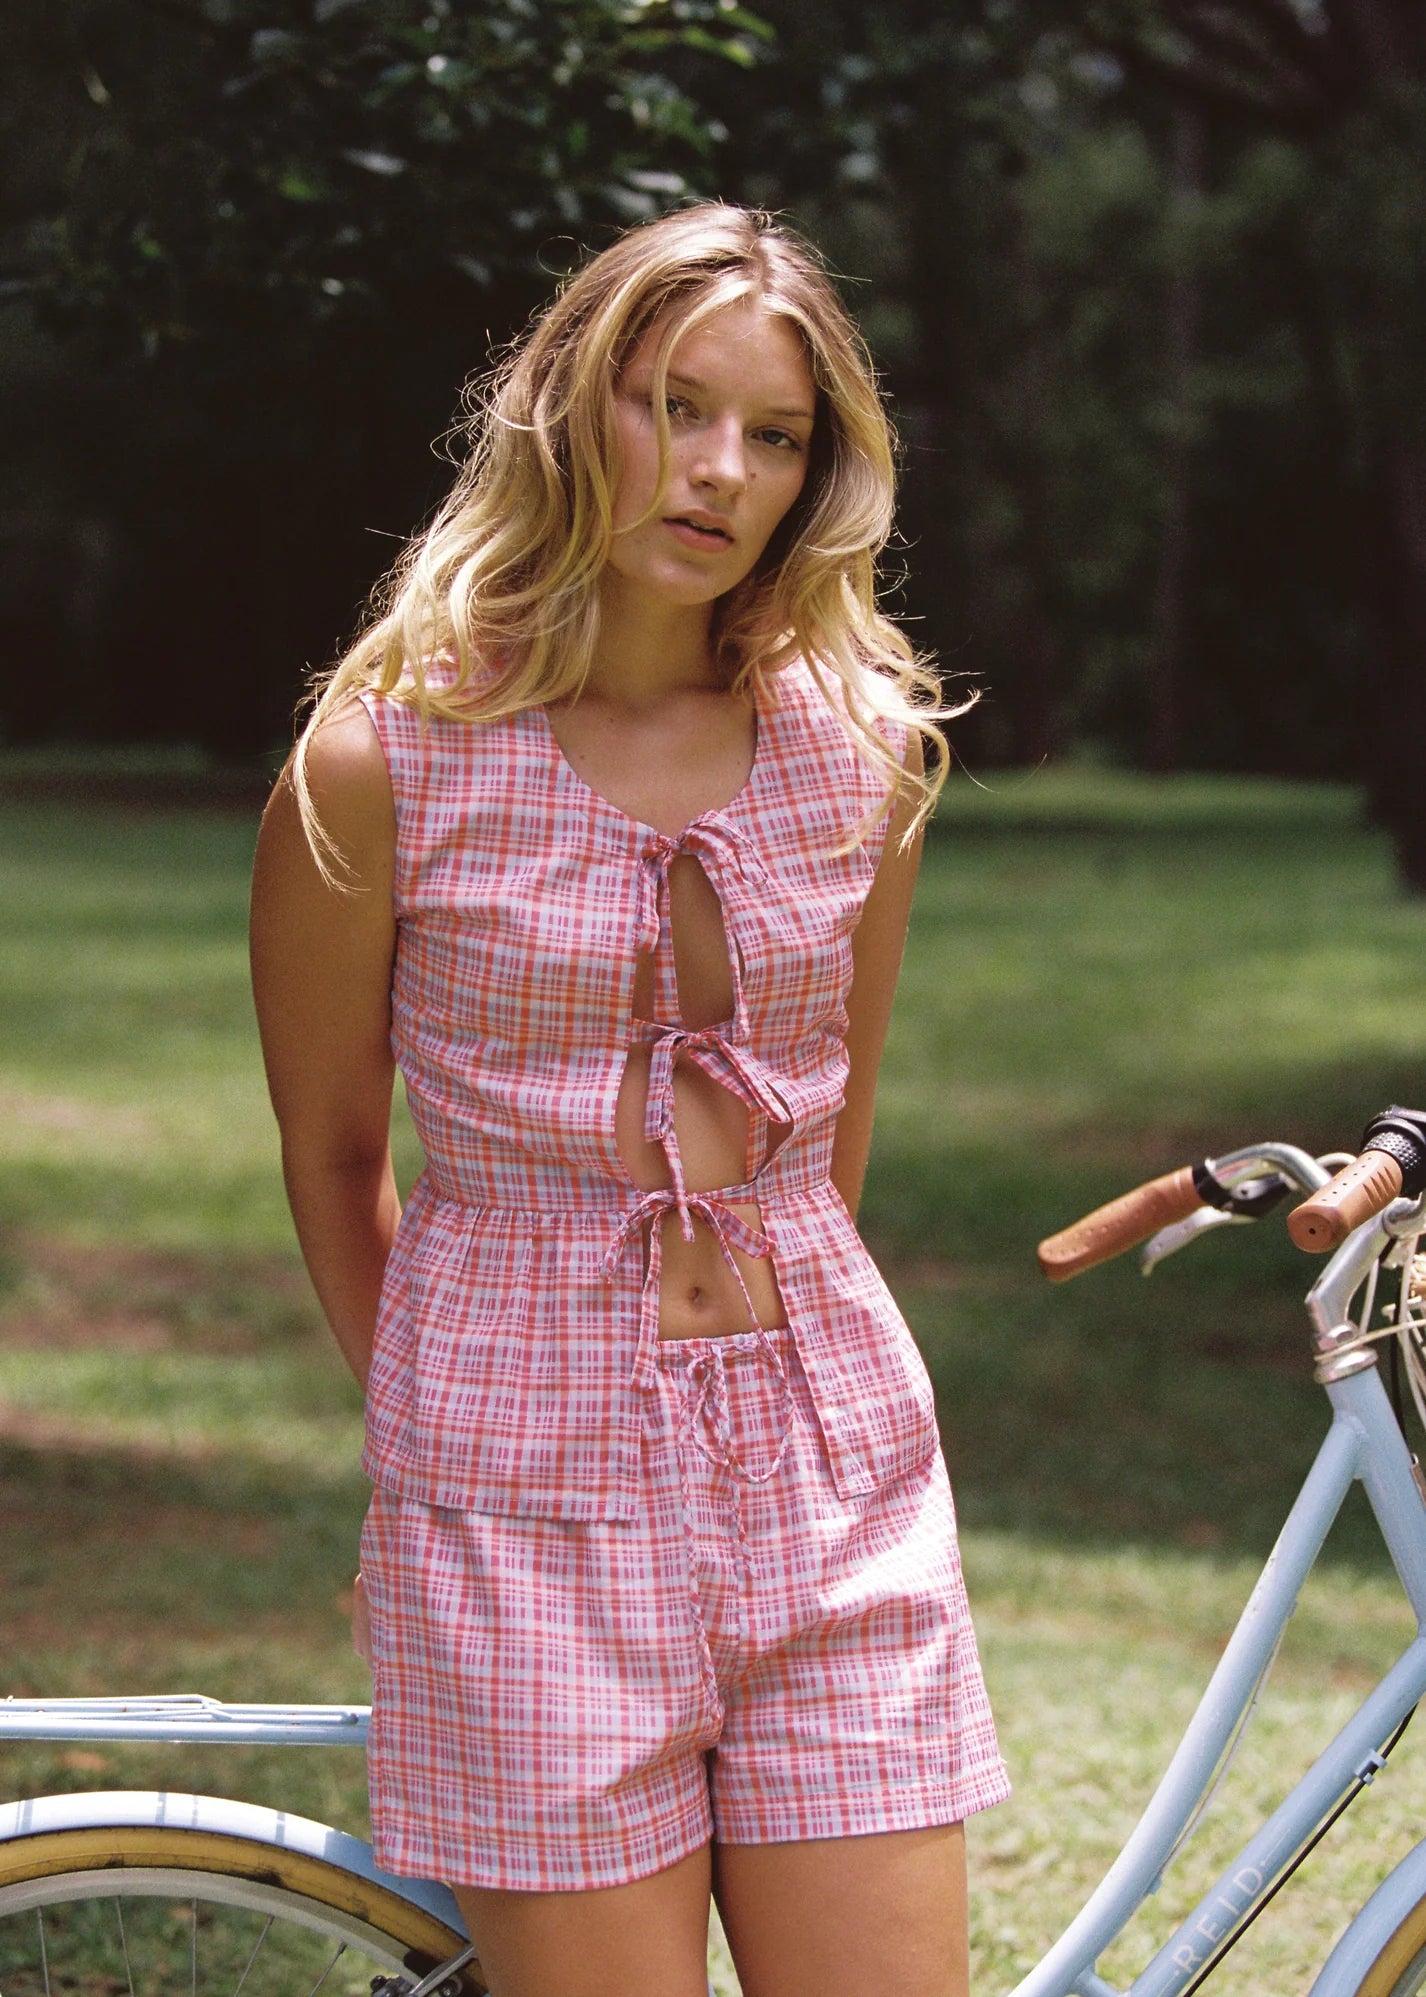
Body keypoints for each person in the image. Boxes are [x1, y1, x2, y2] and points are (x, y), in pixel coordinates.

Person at [250, 201, 1009, 1997]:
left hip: (832, 1464)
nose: (719, 469)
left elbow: (836, 1138)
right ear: (570, 410)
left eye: (775, 432)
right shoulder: (378, 770)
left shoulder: (862, 752)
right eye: (674, 405)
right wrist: (452, 1435)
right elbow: (334, 1147)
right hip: (516, 1488)